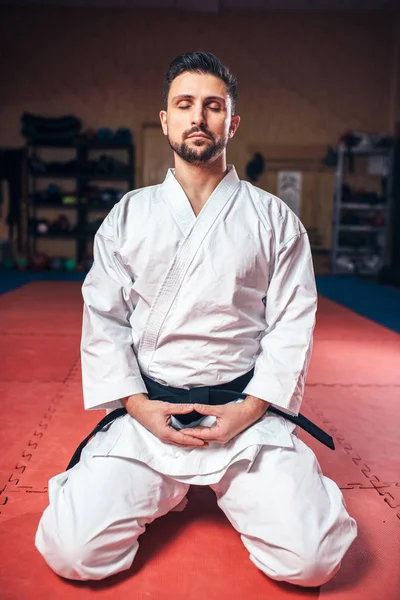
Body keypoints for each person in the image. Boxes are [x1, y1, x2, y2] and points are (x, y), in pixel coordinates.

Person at [35, 51, 357, 587]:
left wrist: (251, 409)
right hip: (151, 416)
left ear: (231, 121)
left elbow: (292, 326)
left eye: (213, 106)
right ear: (166, 120)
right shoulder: (129, 216)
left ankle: (283, 487)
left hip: (244, 419)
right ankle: (152, 486)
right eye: (184, 104)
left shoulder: (274, 219)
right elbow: (105, 321)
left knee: (313, 562)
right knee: (74, 554)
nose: (198, 117)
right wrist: (137, 406)